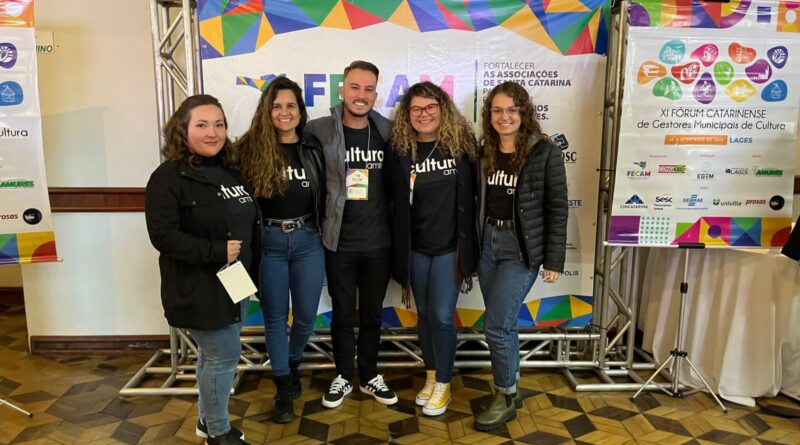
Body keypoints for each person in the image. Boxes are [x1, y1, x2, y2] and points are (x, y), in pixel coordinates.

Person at [145, 94, 258, 445]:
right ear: (182, 129)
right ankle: (219, 432)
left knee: (213, 355)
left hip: (233, 282)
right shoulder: (168, 177)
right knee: (224, 355)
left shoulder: (230, 170)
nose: (213, 133)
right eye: (202, 125)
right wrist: (215, 250)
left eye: (219, 124)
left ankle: (207, 421)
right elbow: (162, 236)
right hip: (197, 286)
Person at [474, 82, 567, 431]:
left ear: (523, 112)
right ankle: (510, 388)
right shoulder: (485, 150)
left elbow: (557, 208)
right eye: (497, 110)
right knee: (505, 323)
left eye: (512, 110)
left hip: (519, 249)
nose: (504, 117)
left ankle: (504, 395)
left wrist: (554, 260)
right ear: (490, 115)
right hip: (488, 245)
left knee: (495, 325)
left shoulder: (545, 152)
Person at [304, 60, 397, 408]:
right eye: (354, 87)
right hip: (337, 241)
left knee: (372, 314)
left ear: (376, 92)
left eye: (368, 89)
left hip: (379, 243)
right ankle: (343, 374)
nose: (361, 95)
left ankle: (371, 374)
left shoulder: (388, 130)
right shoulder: (319, 130)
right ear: (342, 89)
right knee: (343, 313)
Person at [232, 77, 325, 423]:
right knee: (274, 318)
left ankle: (294, 362)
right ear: (266, 111)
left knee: (304, 315)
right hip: (268, 244)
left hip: (308, 240)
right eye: (277, 106)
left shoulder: (313, 149)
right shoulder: (248, 151)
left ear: (300, 112)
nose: (284, 112)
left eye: (290, 106)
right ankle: (283, 386)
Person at [387, 82, 478, 416]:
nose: (423, 115)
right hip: (415, 249)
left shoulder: (462, 147)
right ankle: (431, 374)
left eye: (430, 108)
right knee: (424, 316)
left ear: (442, 110)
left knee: (441, 316)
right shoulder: (400, 152)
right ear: (406, 115)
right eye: (416, 109)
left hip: (449, 249)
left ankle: (444, 381)